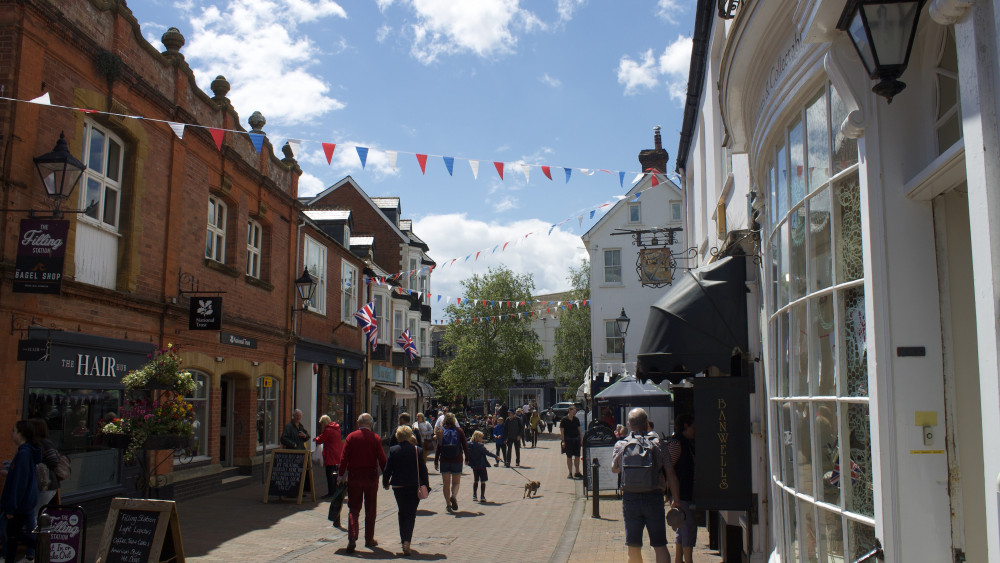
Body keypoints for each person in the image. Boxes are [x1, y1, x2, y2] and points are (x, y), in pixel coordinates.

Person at [611, 408, 675, 563]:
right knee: (660, 545)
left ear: (629, 424)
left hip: (630, 498)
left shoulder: (621, 445)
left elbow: (614, 468)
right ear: (646, 424)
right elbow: (671, 473)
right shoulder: (659, 444)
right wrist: (676, 499)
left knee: (633, 548)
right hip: (654, 497)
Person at [338, 413, 387, 553]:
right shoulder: (375, 438)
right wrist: (387, 476)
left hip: (354, 476)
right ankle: (369, 539)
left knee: (353, 508)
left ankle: (352, 537)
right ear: (371, 424)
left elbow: (343, 458)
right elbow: (382, 459)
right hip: (371, 476)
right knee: (370, 509)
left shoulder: (351, 437)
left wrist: (341, 475)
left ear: (358, 423)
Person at [382, 425, 429, 556]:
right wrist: (427, 485)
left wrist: (385, 482)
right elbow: (423, 470)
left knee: (402, 512)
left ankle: (404, 539)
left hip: (398, 486)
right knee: (410, 514)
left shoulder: (393, 450)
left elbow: (387, 469)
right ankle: (407, 540)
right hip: (414, 486)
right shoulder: (417, 450)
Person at [1, 420, 39, 563]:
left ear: (21, 434)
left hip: (19, 504)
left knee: (12, 533)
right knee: (12, 534)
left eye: (14, 431)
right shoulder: (25, 453)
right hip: (23, 502)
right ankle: (9, 558)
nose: (11, 434)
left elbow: (19, 482)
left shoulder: (24, 454)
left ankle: (40, 546)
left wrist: (11, 506)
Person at [667, 414, 696, 563]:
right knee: (688, 527)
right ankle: (688, 560)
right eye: (693, 426)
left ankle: (679, 560)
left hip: (683, 492)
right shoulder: (677, 443)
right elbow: (668, 468)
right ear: (685, 425)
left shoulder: (685, 442)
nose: (695, 429)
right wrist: (674, 496)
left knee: (682, 527)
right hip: (681, 493)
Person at [433, 413, 470, 513]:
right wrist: (467, 457)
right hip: (457, 458)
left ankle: (448, 504)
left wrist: (436, 460)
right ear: (454, 420)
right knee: (456, 482)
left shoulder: (440, 431)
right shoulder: (459, 431)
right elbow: (465, 445)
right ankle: (453, 496)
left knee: (446, 483)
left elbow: (438, 447)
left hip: (444, 459)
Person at [314, 415, 344, 524]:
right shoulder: (337, 429)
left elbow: (322, 439)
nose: (321, 425)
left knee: (329, 473)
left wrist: (316, 439)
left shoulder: (328, 430)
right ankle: (334, 490)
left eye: (321, 423)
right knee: (334, 472)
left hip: (330, 453)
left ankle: (331, 492)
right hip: (337, 453)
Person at [467, 430, 500, 502]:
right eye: (481, 437)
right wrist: (496, 456)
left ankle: (474, 495)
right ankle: (482, 496)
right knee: (483, 481)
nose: (482, 439)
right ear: (477, 437)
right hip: (481, 465)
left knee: (475, 480)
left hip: (474, 466)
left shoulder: (469, 445)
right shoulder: (480, 446)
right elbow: (487, 453)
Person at [560, 405, 583, 479]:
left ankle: (577, 472)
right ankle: (570, 472)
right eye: (573, 410)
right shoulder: (564, 420)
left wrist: (581, 439)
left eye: (575, 410)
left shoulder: (576, 419)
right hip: (568, 440)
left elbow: (579, 429)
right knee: (569, 456)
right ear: (569, 410)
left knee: (577, 456)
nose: (575, 412)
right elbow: (562, 431)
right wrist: (563, 441)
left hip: (576, 439)